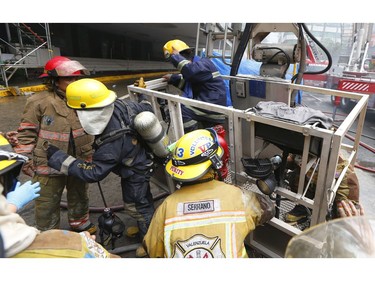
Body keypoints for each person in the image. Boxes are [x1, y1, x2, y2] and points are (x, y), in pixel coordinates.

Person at [46, 78, 156, 257]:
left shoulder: (110, 144)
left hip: (135, 170)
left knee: (137, 206)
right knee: (143, 200)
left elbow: (94, 173)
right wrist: (142, 94)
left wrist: (57, 157)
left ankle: (150, 241)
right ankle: (147, 226)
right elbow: (146, 107)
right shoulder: (121, 105)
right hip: (141, 160)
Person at [142, 128, 275, 258]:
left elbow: (152, 249)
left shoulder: (166, 206)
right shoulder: (238, 197)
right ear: (216, 163)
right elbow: (268, 209)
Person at [12, 56, 97, 234]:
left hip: (79, 160)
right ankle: (49, 235)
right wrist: (26, 161)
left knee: (80, 195)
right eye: (68, 78)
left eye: (76, 78)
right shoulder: (39, 101)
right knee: (47, 201)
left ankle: (80, 225)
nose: (74, 82)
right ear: (54, 80)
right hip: (48, 163)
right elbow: (27, 133)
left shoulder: (85, 98)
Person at [0, 135, 119, 258]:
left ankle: (78, 222)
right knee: (47, 204)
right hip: (50, 165)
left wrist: (11, 205)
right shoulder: (68, 247)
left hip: (78, 163)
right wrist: (83, 245)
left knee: (78, 195)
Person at [162, 39, 227, 133]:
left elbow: (190, 72)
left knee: (179, 109)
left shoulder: (202, 64)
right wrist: (172, 79)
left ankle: (193, 137)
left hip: (212, 107)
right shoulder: (199, 65)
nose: (175, 66)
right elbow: (188, 83)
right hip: (211, 103)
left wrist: (176, 57)